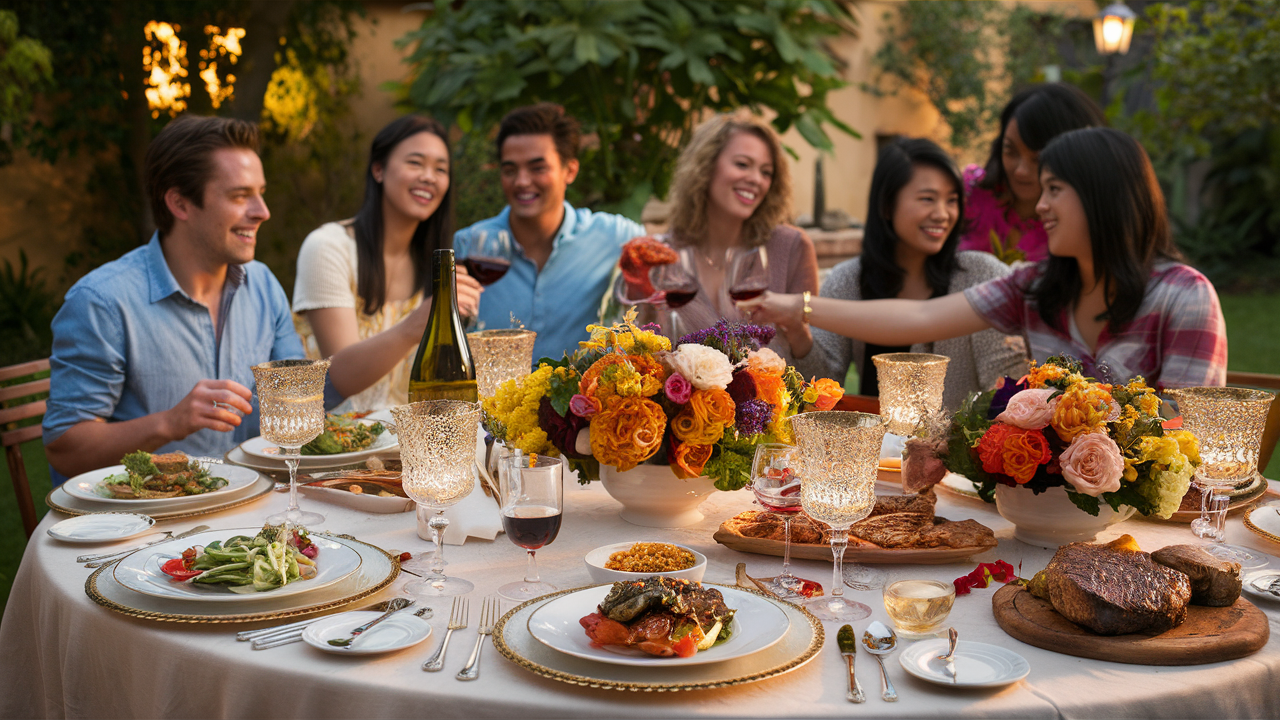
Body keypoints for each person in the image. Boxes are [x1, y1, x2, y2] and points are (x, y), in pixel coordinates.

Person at [742, 127, 1228, 391]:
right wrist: (797, 308)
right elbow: (918, 317)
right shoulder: (1036, 287)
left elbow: (1192, 439)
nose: (1039, 207)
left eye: (1054, 190)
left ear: (1102, 197)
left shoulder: (1184, 297)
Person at [43, 116, 347, 482]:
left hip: (249, 514)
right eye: (239, 196)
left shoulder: (263, 285)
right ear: (180, 203)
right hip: (142, 527)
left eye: (260, 192)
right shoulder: (102, 302)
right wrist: (169, 423)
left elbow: (300, 402)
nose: (262, 212)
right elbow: (65, 449)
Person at [794, 137, 1026, 410]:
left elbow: (1008, 390)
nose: (942, 214)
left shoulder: (982, 276)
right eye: (928, 199)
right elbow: (822, 388)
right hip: (875, 450)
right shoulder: (848, 281)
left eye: (952, 200)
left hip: (960, 450)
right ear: (887, 205)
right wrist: (798, 334)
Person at [292, 116, 482, 412]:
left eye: (440, 169)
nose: (429, 177)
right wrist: (413, 326)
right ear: (378, 169)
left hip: (412, 447)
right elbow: (338, 376)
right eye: (416, 163)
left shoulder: (435, 264)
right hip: (338, 446)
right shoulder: (328, 248)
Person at [455, 103, 646, 361]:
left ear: (570, 170)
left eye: (537, 168)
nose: (522, 181)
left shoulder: (615, 237)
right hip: (491, 400)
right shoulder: (471, 244)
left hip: (577, 399)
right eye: (510, 170)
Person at [653, 110, 819, 361]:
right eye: (742, 164)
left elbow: (824, 377)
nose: (756, 180)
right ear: (705, 166)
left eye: (766, 172)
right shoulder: (662, 256)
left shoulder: (791, 248)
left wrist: (796, 328)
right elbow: (637, 359)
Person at [958, 83, 1106, 264]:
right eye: (1010, 151)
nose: (1021, 170)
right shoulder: (965, 196)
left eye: (1037, 159)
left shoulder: (1084, 227)